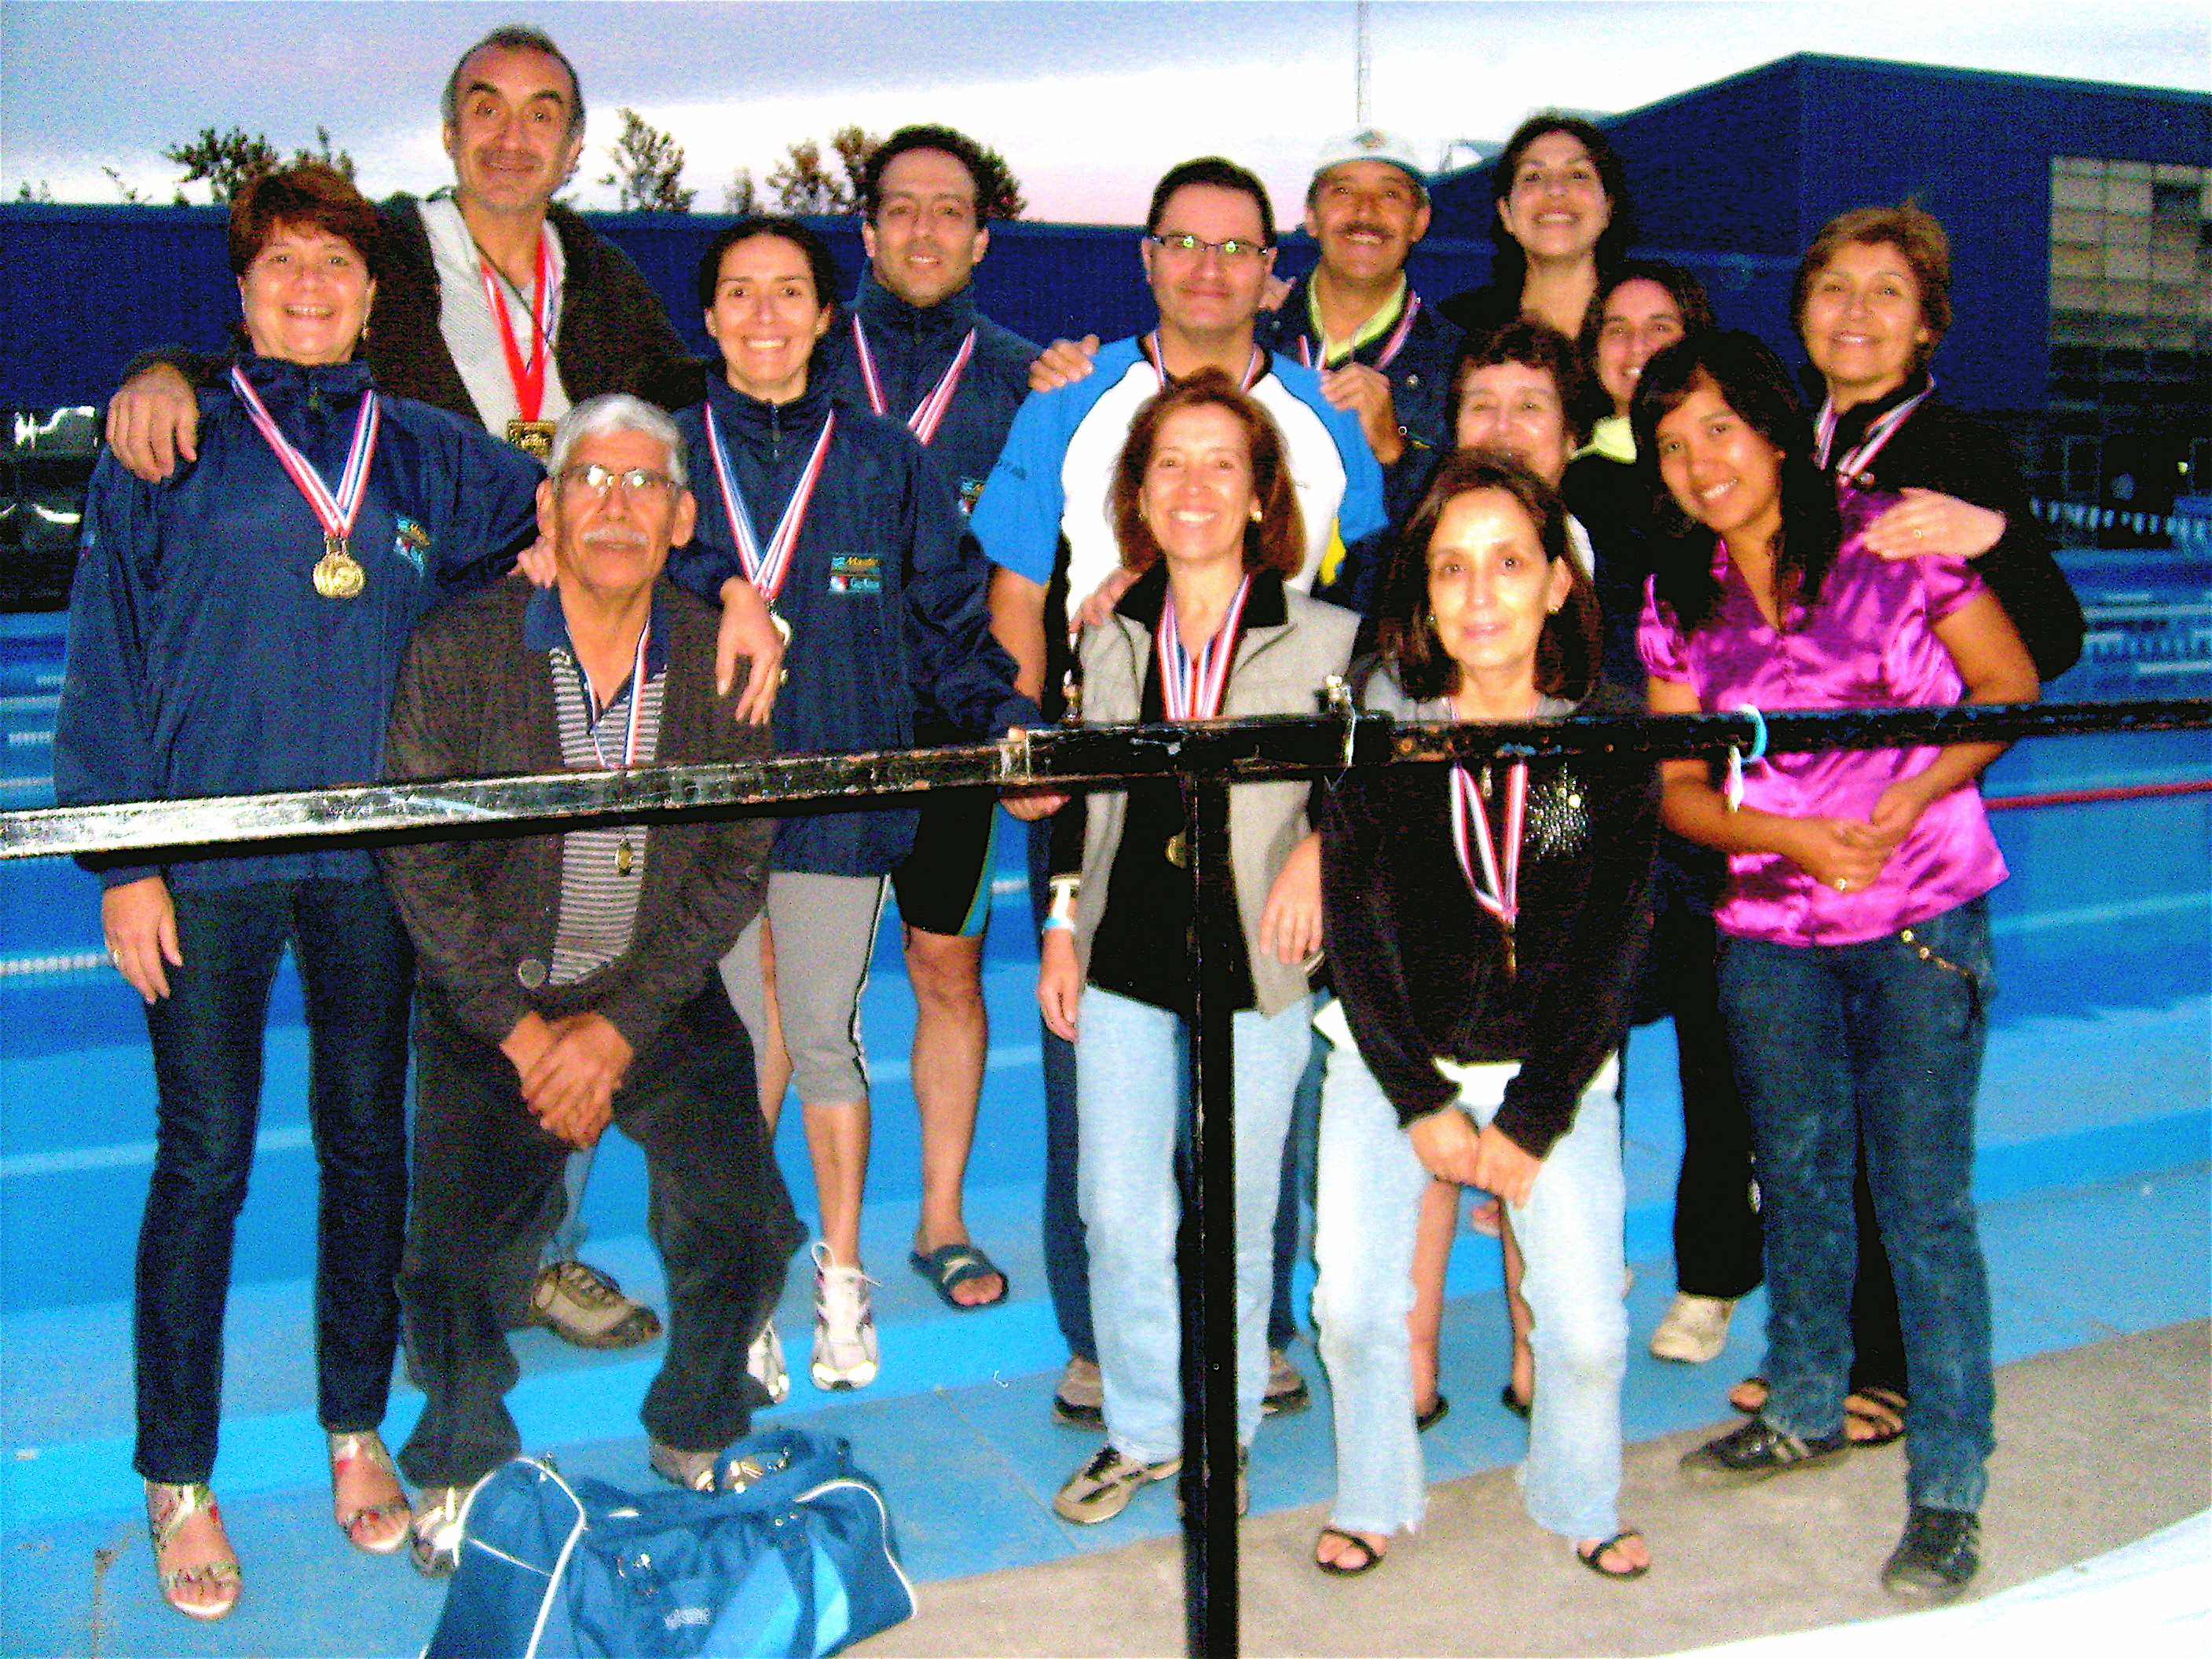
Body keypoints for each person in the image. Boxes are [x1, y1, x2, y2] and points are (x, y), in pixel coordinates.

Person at [101, 21, 789, 1353]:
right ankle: (448, 1293)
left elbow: (642, 464)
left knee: (523, 981)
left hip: (517, 677)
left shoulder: (601, 281)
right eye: (486, 106)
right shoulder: (390, 260)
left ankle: (514, 1271)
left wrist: (732, 584)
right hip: (384, 714)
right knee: (270, 1121)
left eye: (542, 113)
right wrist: (163, 370)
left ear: (574, 145)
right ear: (448, 129)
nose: (512, 135)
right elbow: (278, 336)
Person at [51, 163, 544, 1620]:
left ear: (376, 294)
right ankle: (177, 1474)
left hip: (373, 866)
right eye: (282, 265)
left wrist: (724, 582)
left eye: (336, 263)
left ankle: (353, 1423)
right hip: (208, 862)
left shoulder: (429, 452)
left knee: (367, 1148)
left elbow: (586, 516)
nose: (310, 287)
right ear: (244, 291)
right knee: (204, 1156)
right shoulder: (170, 436)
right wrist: (124, 860)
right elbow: (105, 647)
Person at [977, 155, 1384, 1426]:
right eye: (1184, 243)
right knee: (1097, 1088)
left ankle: (1253, 1331)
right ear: (1147, 257)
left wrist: (1330, 824)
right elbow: (1015, 587)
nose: (1210, 268)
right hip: (1114, 774)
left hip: (1270, 802)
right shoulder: (1071, 397)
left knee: (1260, 1085)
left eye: (1236, 247)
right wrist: (1028, 733)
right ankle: (1105, 1344)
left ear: (1274, 270)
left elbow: (1364, 609)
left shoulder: (1326, 414)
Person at [1637, 331, 2038, 1603]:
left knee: (1922, 1204)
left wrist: (1910, 795)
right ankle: (1806, 1404)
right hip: (1770, 935)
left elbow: (2007, 682)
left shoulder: (1889, 537)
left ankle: (1949, 1488)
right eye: (1671, 444)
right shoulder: (1676, 597)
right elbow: (1678, 789)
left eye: (1718, 428)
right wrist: (1791, 835)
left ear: (1770, 427)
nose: (1699, 462)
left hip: (1919, 918)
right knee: (1798, 1181)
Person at [380, 394, 802, 1574]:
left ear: (682, 520)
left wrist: (617, 1028)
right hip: (494, 1003)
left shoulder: (719, 657)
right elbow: (418, 860)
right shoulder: (459, 648)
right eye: (590, 481)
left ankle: (699, 1422)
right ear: (548, 507)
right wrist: (524, 1038)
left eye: (642, 485)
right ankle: (461, 1459)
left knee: (745, 1226)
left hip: (650, 993)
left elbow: (738, 856)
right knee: (453, 1258)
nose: (615, 506)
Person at [1718, 205, 2088, 1441]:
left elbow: (2049, 645)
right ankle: (1821, 1358)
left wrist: (1998, 536)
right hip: (1792, 859)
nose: (1857, 314)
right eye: (1834, 289)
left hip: (1904, 856)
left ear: (1929, 324)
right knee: (1807, 1144)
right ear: (1802, 313)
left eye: (1888, 293)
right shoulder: (1790, 449)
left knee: (1902, 1151)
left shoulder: (1957, 450)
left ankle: (1893, 1373)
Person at [671, 218, 1036, 1394]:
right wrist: (722, 580)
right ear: (709, 316)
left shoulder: (883, 457)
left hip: (836, 794)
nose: (764, 314)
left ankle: (842, 1275)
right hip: (711, 801)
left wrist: (1009, 722)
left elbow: (947, 616)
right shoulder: (668, 450)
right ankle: (741, 1289)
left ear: (828, 315)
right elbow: (618, 559)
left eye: (790, 291)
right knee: (739, 1051)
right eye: (740, 292)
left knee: (822, 1033)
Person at [1310, 449, 1656, 1580]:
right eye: (1451, 568)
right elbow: (1355, 932)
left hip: (1552, 1069)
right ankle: (1373, 1494)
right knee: (1353, 1309)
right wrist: (1418, 1100)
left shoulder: (1603, 736)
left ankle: (1574, 1495)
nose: (1478, 594)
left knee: (1586, 1329)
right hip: (1391, 1059)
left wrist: (1534, 1117)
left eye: (1508, 564)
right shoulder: (1381, 733)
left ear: (1557, 583)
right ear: (1422, 593)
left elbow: (1611, 943)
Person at [1036, 371, 1358, 1524]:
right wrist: (1060, 925)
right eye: (1169, 461)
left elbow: (1370, 791)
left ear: (1262, 490)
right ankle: (1141, 1430)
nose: (1194, 485)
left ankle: (1222, 1436)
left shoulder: (1330, 638)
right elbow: (1080, 798)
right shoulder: (1110, 631)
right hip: (1124, 947)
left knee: (1234, 1204)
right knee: (1117, 1205)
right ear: (1137, 490)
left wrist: (1320, 849)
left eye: (1222, 462)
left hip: (1257, 957)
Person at [827, 126, 1039, 1317]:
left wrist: (1021, 717)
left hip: (951, 716)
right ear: (866, 231)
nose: (922, 229)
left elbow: (1048, 564)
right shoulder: (801, 355)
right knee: (789, 978)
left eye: (947, 209)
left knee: (944, 965)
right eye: (899, 208)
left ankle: (942, 1219)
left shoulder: (1025, 381)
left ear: (980, 237)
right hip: (811, 720)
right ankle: (762, 1239)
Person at [1557, 264, 1762, 1372]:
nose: (1637, 348)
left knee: (1719, 1054)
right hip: (1597, 805)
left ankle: (1713, 1273)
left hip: (1707, 799)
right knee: (1591, 1042)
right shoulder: (1570, 479)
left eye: (1662, 327)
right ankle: (1585, 1255)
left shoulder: (1724, 473)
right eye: (1617, 330)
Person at [1259, 127, 1463, 489]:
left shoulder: (1460, 362)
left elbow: (1468, 509)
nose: (1366, 210)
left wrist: (1393, 450)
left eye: (1390, 194)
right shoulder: (1250, 336)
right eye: (1343, 191)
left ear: (1419, 222)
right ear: (1311, 216)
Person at [1438, 114, 1632, 343]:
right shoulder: (1455, 332)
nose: (1555, 189)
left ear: (1609, 207)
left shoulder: (1650, 329)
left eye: (1578, 175)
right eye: (1533, 177)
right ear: (1505, 213)